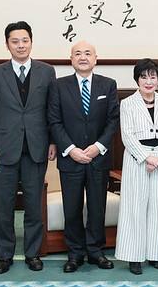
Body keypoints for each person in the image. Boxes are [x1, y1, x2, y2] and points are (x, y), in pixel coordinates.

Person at [0, 21, 57, 274]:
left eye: (25, 40)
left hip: (37, 147)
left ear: (31, 42)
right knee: (3, 205)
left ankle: (33, 253)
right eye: (15, 41)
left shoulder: (47, 72)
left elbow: (52, 111)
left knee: (34, 204)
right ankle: (5, 255)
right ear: (7, 44)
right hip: (4, 150)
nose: (21, 45)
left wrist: (53, 141)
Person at [48, 41, 120, 272]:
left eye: (87, 53)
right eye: (77, 54)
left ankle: (96, 251)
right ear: (71, 59)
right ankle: (75, 253)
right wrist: (71, 149)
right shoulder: (59, 86)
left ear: (95, 58)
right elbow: (54, 121)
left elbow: (112, 120)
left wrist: (98, 146)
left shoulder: (108, 85)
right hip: (71, 158)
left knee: (97, 207)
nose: (82, 57)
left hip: (98, 158)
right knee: (72, 207)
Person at [115, 59, 158, 275]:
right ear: (137, 79)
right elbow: (126, 135)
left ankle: (157, 255)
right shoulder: (127, 103)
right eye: (144, 77)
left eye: (153, 77)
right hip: (136, 160)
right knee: (135, 208)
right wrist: (146, 158)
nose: (148, 81)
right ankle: (134, 256)